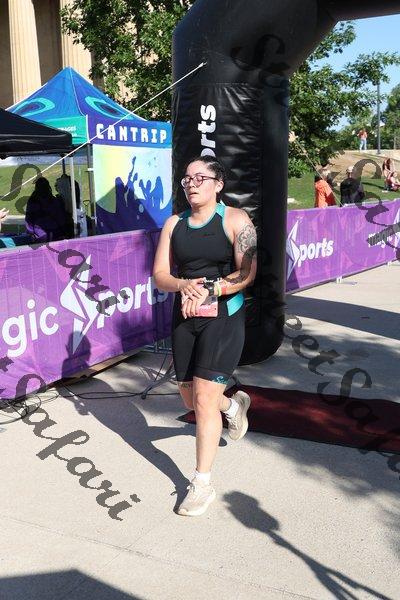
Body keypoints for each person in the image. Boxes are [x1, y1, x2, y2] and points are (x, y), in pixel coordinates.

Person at [153, 156, 257, 517]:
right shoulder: (173, 224)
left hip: (224, 316)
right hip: (186, 315)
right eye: (187, 179)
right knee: (190, 401)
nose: (192, 184)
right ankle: (234, 406)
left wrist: (211, 288)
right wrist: (184, 285)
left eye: (200, 178)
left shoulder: (236, 220)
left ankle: (201, 484)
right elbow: (160, 276)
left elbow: (247, 272)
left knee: (203, 399)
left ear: (218, 184)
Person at [25, 176, 68, 242]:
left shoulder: (33, 201)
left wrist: (31, 232)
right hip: (49, 232)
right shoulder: (52, 200)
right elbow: (60, 218)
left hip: (44, 233)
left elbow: (29, 218)